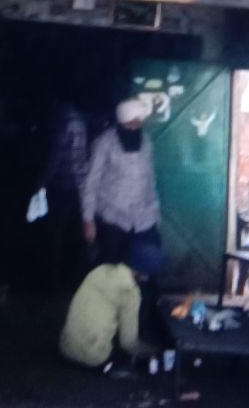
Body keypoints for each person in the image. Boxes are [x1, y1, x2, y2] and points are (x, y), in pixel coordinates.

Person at [81, 98, 161, 265]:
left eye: (139, 123)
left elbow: (150, 179)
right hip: (113, 219)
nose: (135, 127)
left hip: (144, 219)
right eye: (131, 123)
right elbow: (90, 182)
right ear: (123, 122)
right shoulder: (104, 143)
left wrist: (155, 214)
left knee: (146, 268)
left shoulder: (146, 141)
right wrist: (88, 219)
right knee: (112, 269)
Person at [59, 243, 164, 368]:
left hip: (66, 347)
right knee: (130, 357)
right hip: (93, 357)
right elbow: (128, 343)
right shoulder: (131, 293)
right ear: (144, 275)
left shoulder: (100, 270)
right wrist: (155, 351)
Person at [33, 100, 90, 292]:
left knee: (55, 233)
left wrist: (43, 180)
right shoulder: (80, 121)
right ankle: (70, 279)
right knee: (71, 234)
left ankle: (52, 281)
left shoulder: (65, 123)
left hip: (63, 184)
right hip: (78, 185)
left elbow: (56, 157)